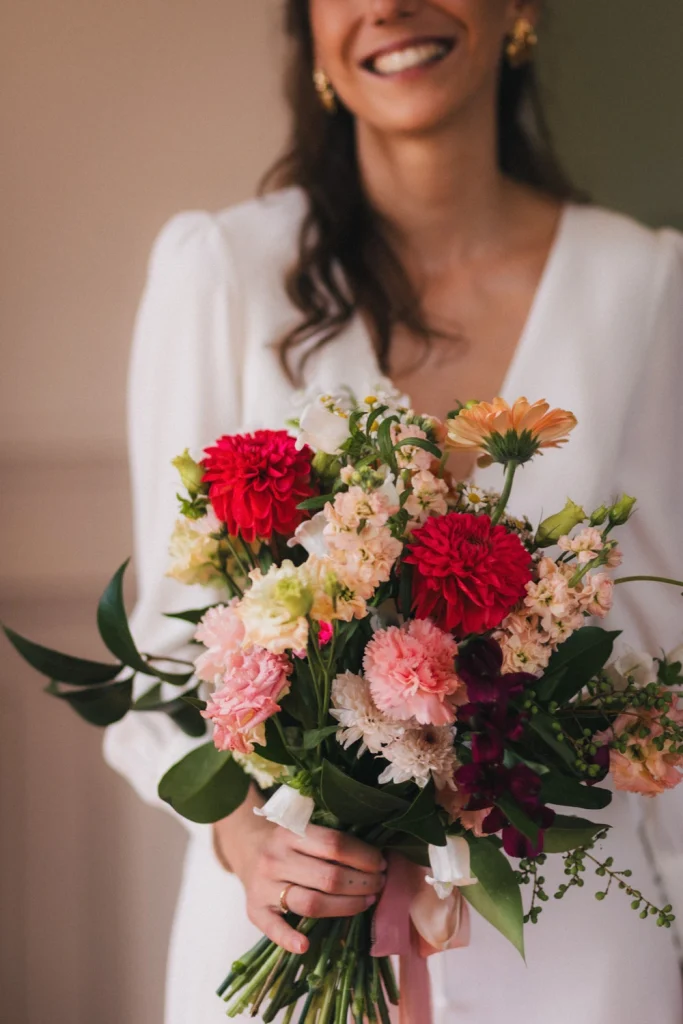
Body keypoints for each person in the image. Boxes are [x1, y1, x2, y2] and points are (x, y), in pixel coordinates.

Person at [103, 1, 683, 1021]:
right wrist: (244, 835)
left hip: (571, 949)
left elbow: (666, 649)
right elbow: (157, 652)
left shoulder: (641, 284)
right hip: (285, 921)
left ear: (517, 9)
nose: (389, 5)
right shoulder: (224, 274)